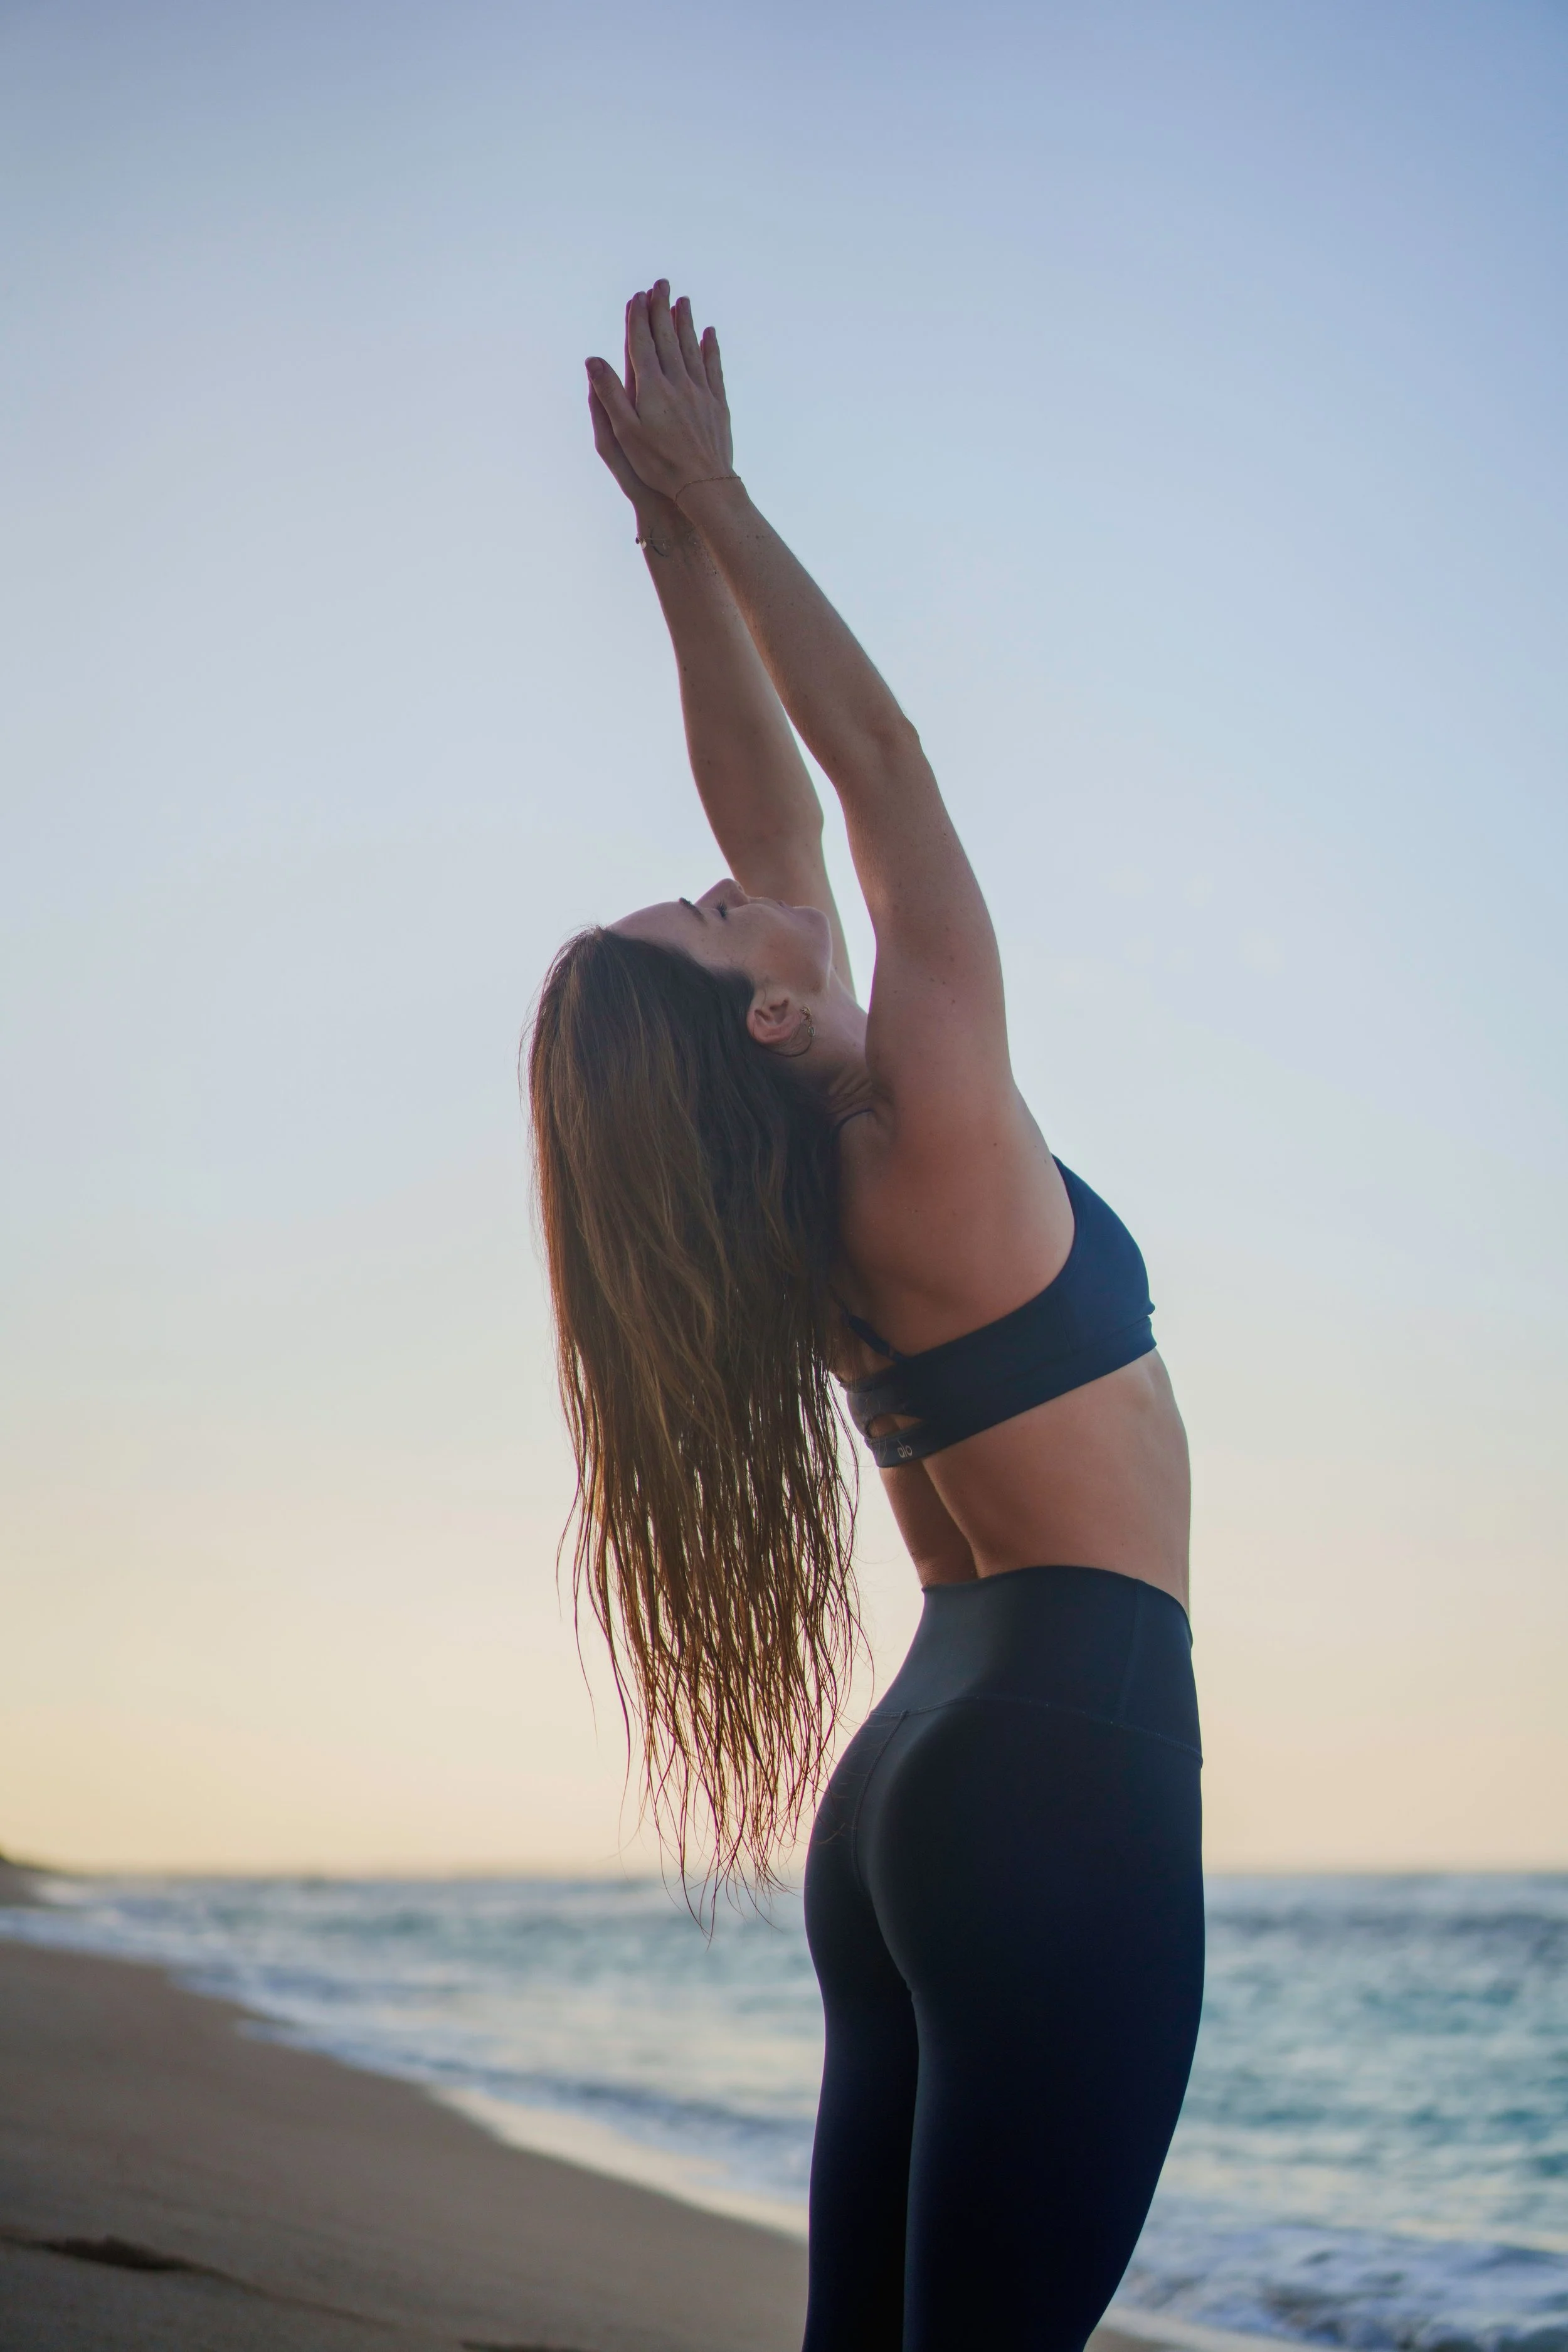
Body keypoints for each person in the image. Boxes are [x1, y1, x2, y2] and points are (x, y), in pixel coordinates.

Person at [529, 282, 1204, 2352]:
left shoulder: (799, 1201)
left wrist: (665, 546)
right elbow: (872, 771)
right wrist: (722, 497)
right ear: (748, 1006)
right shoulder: (932, 1123)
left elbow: (777, 814)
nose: (737, 880)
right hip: (1065, 1762)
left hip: (913, 1772)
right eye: (713, 910)